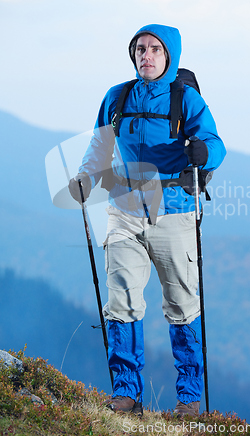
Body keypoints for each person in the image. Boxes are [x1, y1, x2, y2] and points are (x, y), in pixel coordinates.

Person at [69, 24, 226, 416]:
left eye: (155, 49)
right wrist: (86, 178)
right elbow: (100, 145)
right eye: (140, 49)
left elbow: (217, 145)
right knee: (120, 300)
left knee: (182, 304)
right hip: (122, 208)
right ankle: (127, 394)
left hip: (174, 210)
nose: (147, 56)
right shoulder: (116, 96)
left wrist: (203, 152)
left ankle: (188, 400)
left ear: (169, 55)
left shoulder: (185, 99)